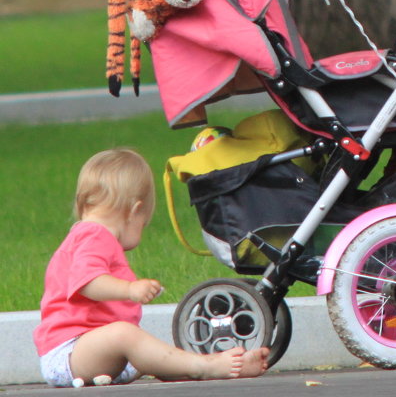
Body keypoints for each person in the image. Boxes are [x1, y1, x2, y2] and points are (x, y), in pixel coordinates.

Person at [34, 148, 270, 386]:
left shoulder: (86, 235)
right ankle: (204, 366)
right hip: (70, 353)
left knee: (145, 349)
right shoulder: (94, 235)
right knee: (125, 334)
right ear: (135, 212)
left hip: (90, 353)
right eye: (143, 223)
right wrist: (129, 290)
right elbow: (87, 281)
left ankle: (199, 366)